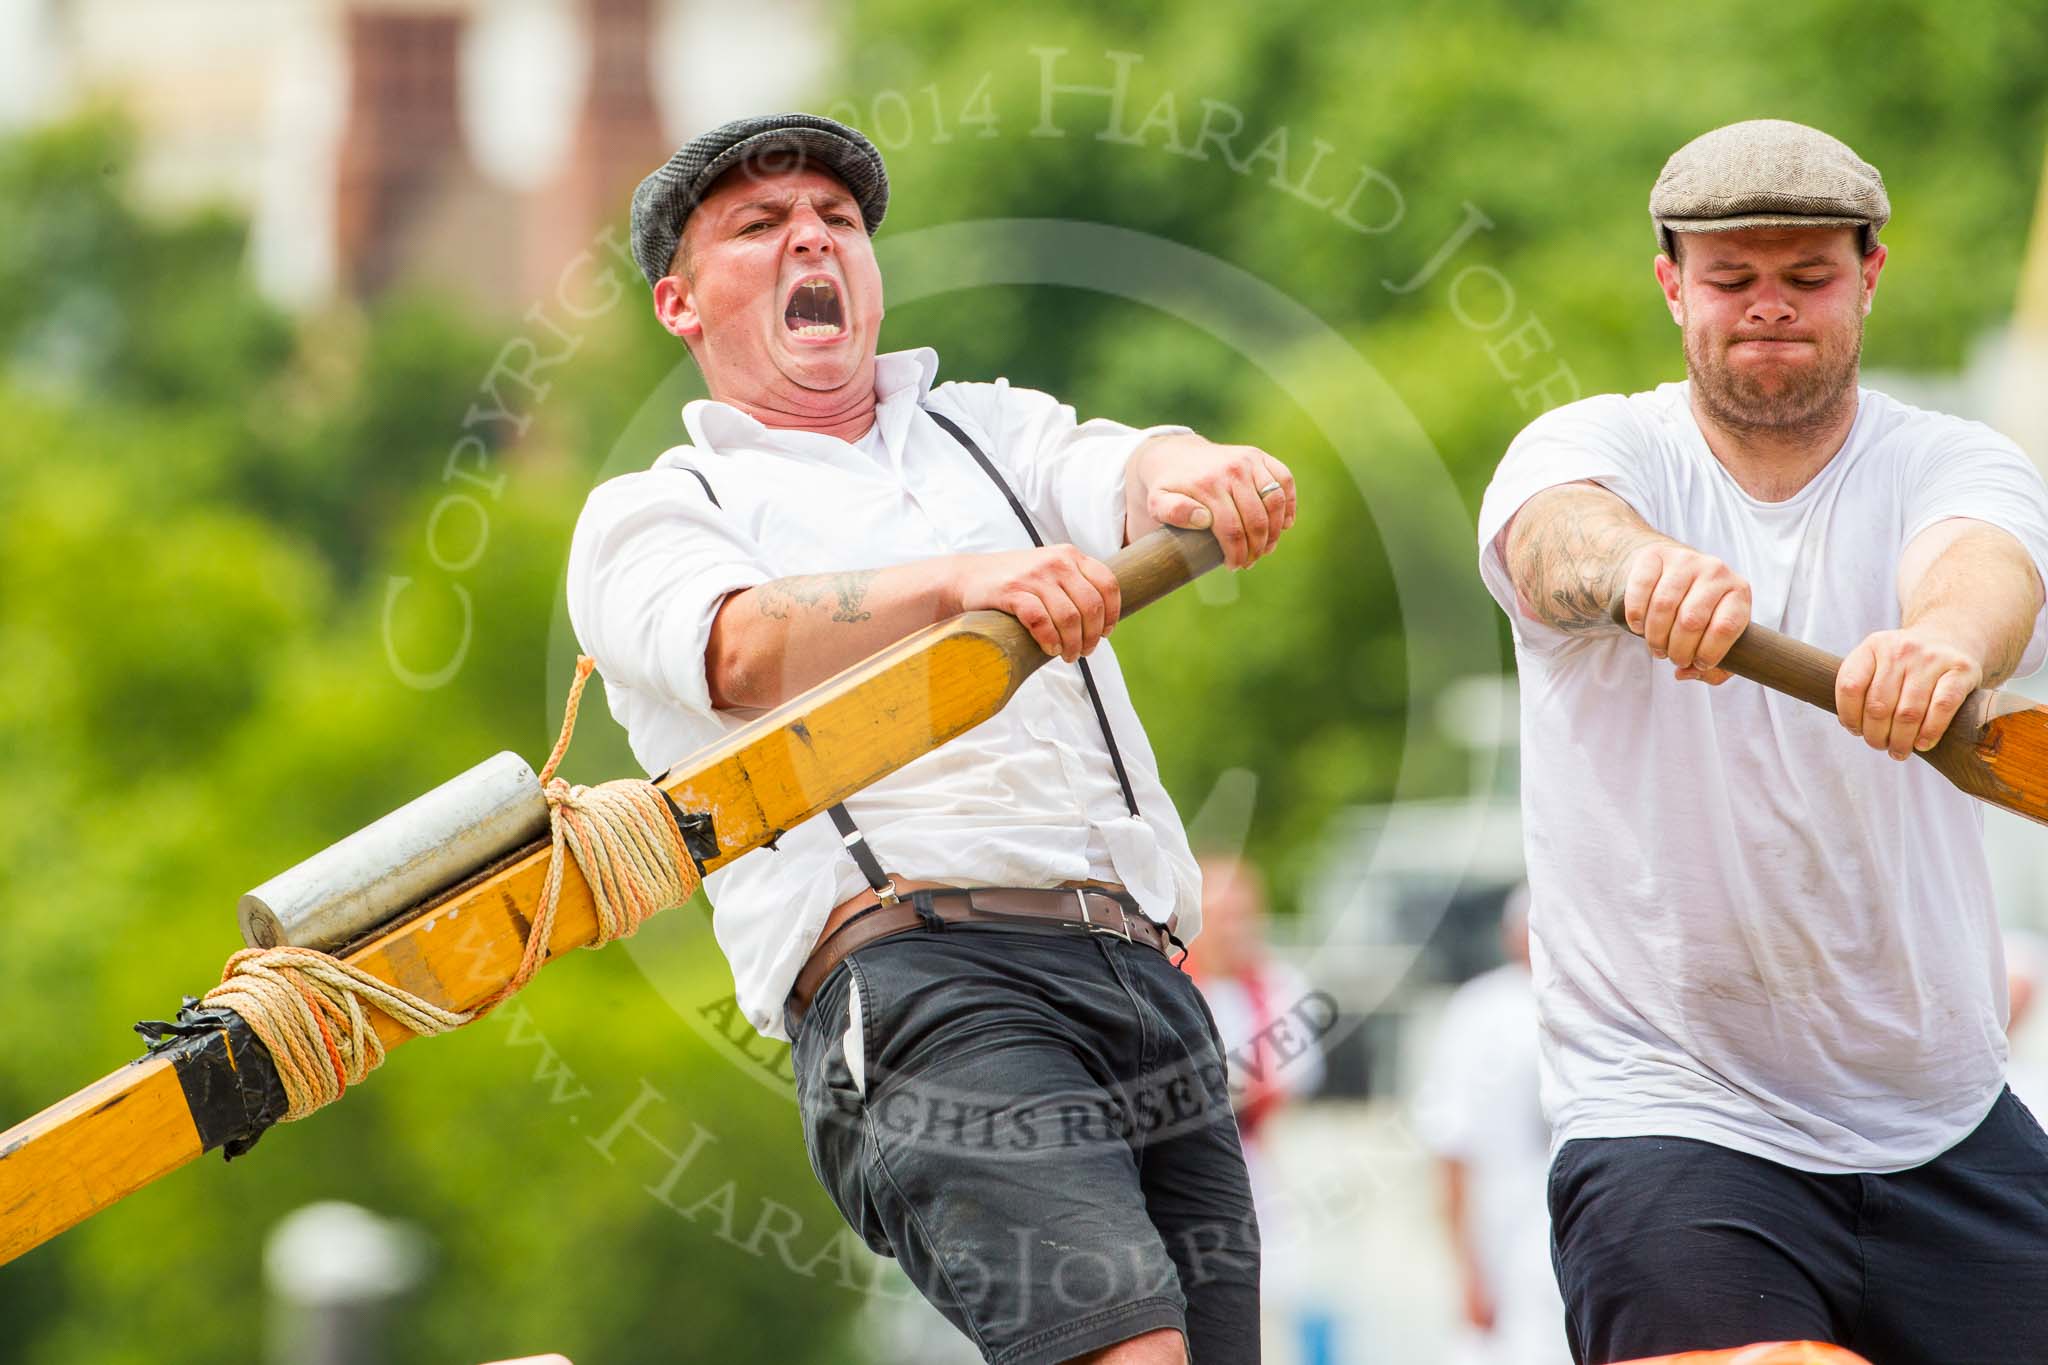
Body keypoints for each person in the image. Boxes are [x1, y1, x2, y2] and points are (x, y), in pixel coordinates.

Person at [566, 113, 1298, 1365]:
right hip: (926, 985)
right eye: (759, 226)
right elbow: (733, 646)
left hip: (1143, 981)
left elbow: (1125, 470)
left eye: (836, 221)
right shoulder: (657, 510)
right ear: (679, 305)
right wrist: (958, 585)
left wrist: (1202, 465)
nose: (811, 237)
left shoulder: (988, 429)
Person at [1476, 118, 2048, 1364]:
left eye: (1805, 278)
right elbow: (1550, 540)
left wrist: (1944, 644)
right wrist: (1637, 572)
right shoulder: (1592, 450)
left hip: (1946, 1116)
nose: (1767, 309)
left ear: (1868, 277)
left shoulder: (1950, 460)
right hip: (1671, 1109)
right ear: (1670, 283)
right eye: (1731, 280)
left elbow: (1984, 566)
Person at [1411, 886, 1569, 1365]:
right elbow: (1451, 1146)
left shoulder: (1598, 1005)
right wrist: (1468, 1270)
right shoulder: (1480, 1010)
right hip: (1504, 1236)